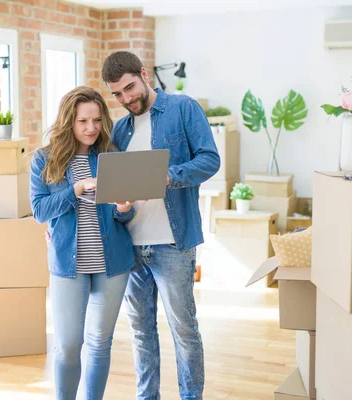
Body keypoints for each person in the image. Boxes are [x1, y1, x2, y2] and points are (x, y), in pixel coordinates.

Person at [101, 51, 221, 400]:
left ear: (143, 74)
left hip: (173, 243)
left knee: (184, 331)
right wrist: (121, 208)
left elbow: (209, 159)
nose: (126, 99)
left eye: (130, 88)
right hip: (131, 247)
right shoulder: (120, 130)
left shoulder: (183, 109)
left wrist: (167, 176)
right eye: (118, 95)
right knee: (140, 332)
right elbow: (119, 197)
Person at [29, 86, 136, 400]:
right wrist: (76, 189)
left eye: (97, 120)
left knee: (100, 342)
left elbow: (123, 218)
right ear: (68, 122)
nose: (91, 128)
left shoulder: (112, 157)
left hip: (112, 262)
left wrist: (124, 209)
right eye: (82, 121)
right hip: (68, 264)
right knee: (68, 344)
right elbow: (39, 211)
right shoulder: (44, 160)